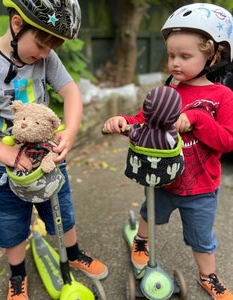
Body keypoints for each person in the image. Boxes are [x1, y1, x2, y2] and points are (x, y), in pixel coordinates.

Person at [0, 0, 108, 299]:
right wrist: (3, 153)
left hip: (47, 159)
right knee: (11, 225)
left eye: (52, 47)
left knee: (62, 213)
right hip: (4, 170)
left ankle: (73, 253)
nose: (45, 54)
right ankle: (17, 276)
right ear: (17, 24)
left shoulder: (46, 56)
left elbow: (71, 92)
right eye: (43, 44)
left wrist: (69, 131)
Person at [103, 3, 233, 299]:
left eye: (185, 56)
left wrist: (198, 119)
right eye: (172, 55)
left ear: (213, 55)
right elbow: (142, 120)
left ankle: (208, 275)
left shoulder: (221, 96)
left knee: (201, 237)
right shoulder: (168, 92)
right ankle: (140, 241)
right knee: (150, 214)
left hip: (201, 187)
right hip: (161, 178)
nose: (175, 63)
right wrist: (124, 121)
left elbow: (227, 140)